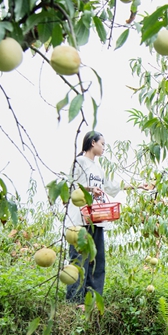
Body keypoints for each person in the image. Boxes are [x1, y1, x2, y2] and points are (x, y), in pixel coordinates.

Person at [66, 131, 123, 307]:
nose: (104, 147)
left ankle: (91, 300)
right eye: (102, 144)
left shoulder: (99, 168)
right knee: (78, 259)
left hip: (96, 219)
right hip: (79, 220)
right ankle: (75, 300)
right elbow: (72, 183)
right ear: (93, 143)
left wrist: (137, 185)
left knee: (97, 261)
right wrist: (90, 190)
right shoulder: (80, 162)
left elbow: (112, 187)